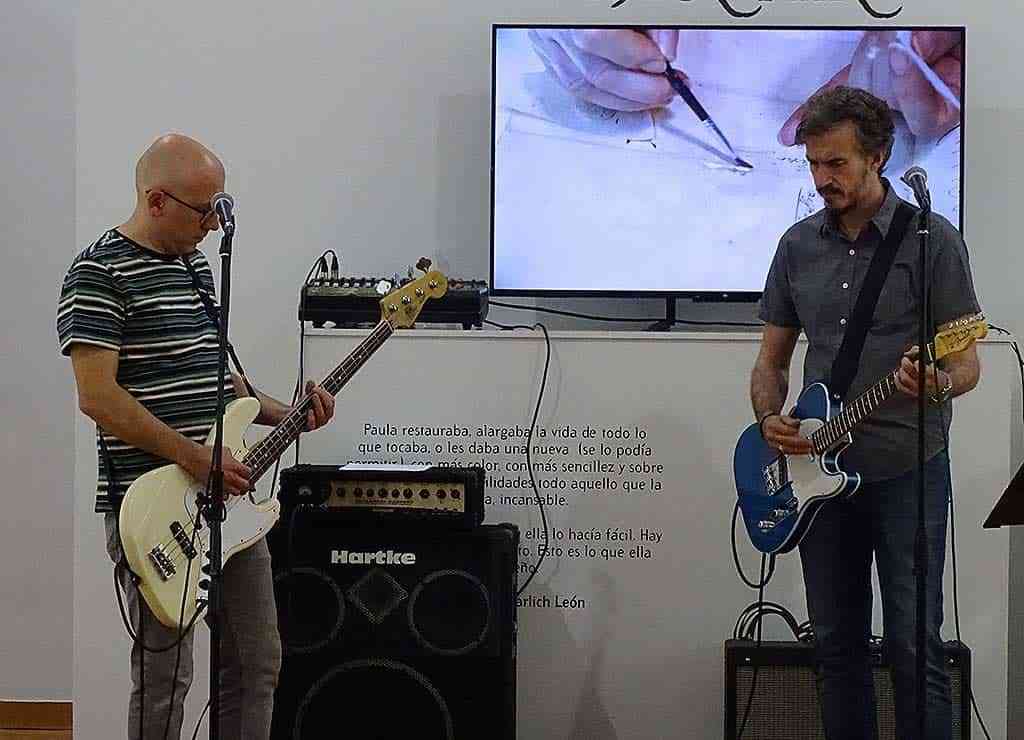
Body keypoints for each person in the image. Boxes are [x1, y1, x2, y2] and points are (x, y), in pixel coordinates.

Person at [57, 133, 336, 739]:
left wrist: (288, 411)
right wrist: (194, 457)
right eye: (204, 209)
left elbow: (223, 387)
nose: (215, 223)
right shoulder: (97, 271)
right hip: (153, 507)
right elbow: (96, 395)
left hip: (227, 502)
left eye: (220, 208)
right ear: (156, 200)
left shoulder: (195, 267)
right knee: (166, 679)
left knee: (257, 661)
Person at [750, 86, 980, 740]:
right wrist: (770, 417)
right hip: (820, 479)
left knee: (914, 646)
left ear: (878, 157)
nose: (823, 179)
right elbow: (770, 363)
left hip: (908, 467)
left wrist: (937, 382)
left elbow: (967, 364)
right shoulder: (797, 246)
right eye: (815, 165)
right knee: (836, 646)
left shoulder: (933, 242)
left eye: (838, 165)